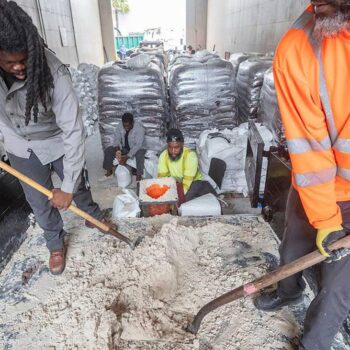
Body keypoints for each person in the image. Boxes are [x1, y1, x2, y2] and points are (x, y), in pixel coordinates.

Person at [254, 2, 350, 349]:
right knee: (294, 243)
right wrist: (325, 217)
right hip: (317, 184)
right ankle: (288, 291)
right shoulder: (300, 47)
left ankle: (314, 344)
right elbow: (308, 147)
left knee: (338, 286)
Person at [0, 0, 114, 275]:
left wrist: (68, 186)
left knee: (78, 186)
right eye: (9, 62)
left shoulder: (54, 72)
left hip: (57, 139)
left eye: (24, 59)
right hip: (19, 144)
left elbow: (73, 130)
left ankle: (92, 216)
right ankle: (54, 242)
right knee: (38, 202)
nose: (18, 67)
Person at [158, 128, 216, 203]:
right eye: (170, 147)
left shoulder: (190, 156)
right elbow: (162, 179)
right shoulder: (163, 156)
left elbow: (186, 184)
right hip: (179, 183)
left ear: (182, 144)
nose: (173, 151)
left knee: (180, 202)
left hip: (195, 183)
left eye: (176, 147)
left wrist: (174, 198)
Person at [101, 112, 146, 182]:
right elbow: (117, 139)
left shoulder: (139, 128)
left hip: (137, 148)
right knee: (108, 150)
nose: (126, 128)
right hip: (125, 148)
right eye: (124, 126)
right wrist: (117, 150)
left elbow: (138, 145)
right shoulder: (120, 125)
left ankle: (139, 177)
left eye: (128, 126)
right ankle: (109, 173)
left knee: (140, 155)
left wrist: (127, 156)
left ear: (132, 123)